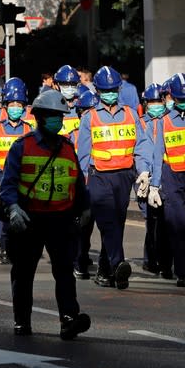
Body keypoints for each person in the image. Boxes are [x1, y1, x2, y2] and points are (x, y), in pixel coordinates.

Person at [0, 90, 91, 339]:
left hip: (60, 220)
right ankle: (22, 321)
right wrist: (13, 208)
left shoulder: (67, 147)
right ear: (39, 117)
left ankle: (69, 320)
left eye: (60, 116)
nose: (58, 121)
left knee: (64, 272)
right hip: (30, 220)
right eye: (52, 116)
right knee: (23, 272)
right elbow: (8, 186)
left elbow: (78, 184)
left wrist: (84, 209)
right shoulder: (22, 146)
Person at [76, 66, 152, 290]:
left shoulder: (130, 114)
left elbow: (141, 145)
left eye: (113, 89)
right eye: (105, 90)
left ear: (118, 89)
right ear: (98, 91)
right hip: (98, 176)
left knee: (117, 224)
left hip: (124, 176)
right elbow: (83, 155)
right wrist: (81, 187)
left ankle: (105, 271)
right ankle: (119, 263)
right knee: (108, 221)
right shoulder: (89, 118)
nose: (110, 93)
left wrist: (144, 171)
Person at [149, 74, 185, 287]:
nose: (184, 102)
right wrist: (155, 186)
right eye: (180, 99)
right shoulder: (163, 121)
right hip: (172, 177)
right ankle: (183, 272)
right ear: (172, 97)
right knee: (178, 225)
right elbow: (157, 156)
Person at [0, 78, 33, 263]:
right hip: (1, 175)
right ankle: (4, 246)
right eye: (12, 104)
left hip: (23, 178)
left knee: (23, 212)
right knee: (4, 213)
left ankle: (21, 246)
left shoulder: (29, 129)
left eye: (19, 104)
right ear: (6, 106)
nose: (15, 107)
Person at [137, 83, 172, 279]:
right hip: (146, 177)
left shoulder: (169, 120)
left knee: (165, 221)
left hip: (166, 176)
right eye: (153, 101)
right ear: (146, 103)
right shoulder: (142, 123)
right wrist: (143, 174)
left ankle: (164, 262)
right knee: (152, 221)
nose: (157, 104)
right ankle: (151, 260)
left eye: (160, 101)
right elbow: (140, 151)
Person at [71, 89, 99, 279]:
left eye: (92, 110)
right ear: (79, 113)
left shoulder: (101, 133)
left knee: (94, 227)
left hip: (97, 185)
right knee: (81, 227)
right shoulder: (72, 135)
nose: (89, 114)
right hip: (77, 188)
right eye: (85, 111)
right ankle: (78, 261)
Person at [52, 65, 82, 136]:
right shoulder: (50, 108)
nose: (70, 88)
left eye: (73, 84)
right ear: (56, 85)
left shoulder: (83, 107)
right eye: (65, 84)